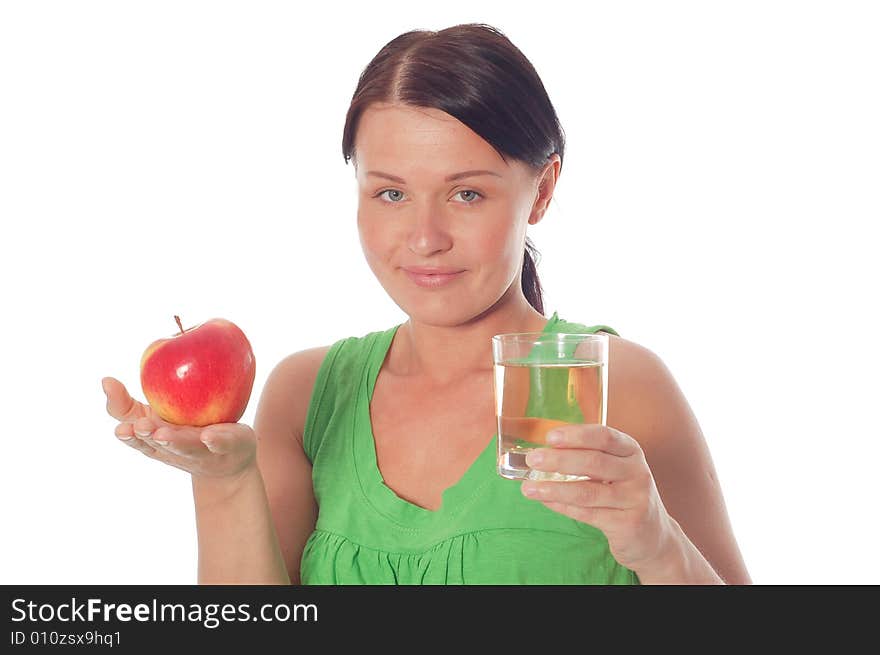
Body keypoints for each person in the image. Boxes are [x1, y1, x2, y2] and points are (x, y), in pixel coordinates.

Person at [102, 23, 751, 585]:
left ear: (544, 189)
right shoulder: (307, 396)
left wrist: (661, 549)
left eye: (467, 194)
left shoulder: (609, 384)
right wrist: (222, 480)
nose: (424, 238)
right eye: (390, 194)